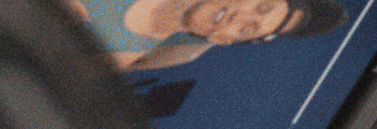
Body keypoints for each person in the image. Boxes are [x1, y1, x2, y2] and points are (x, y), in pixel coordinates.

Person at [82, 0, 346, 75]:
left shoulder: (122, 54)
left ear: (221, 40)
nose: (239, 19)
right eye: (260, 6)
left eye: (248, 29)